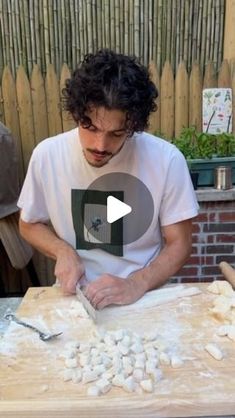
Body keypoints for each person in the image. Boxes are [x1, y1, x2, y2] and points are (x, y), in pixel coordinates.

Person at [18, 49, 199, 309]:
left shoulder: (167, 160)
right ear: (76, 114)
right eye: (90, 127)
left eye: (117, 133)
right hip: (75, 299)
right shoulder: (47, 155)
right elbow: (28, 223)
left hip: (145, 297)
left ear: (134, 125)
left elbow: (180, 244)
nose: (100, 145)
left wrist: (136, 283)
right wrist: (62, 251)